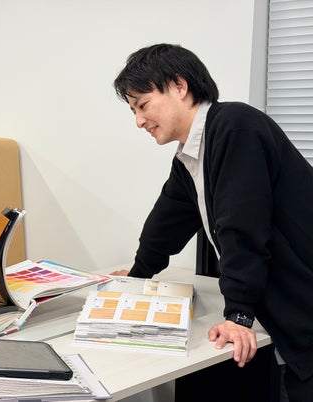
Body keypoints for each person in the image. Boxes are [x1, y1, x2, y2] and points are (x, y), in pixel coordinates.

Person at [111, 43, 313, 401]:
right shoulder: (191, 155)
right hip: (286, 305)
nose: (139, 121)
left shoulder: (235, 126)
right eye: (133, 110)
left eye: (142, 105)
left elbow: (242, 228)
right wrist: (137, 276)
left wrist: (239, 315)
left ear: (179, 86)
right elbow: (166, 223)